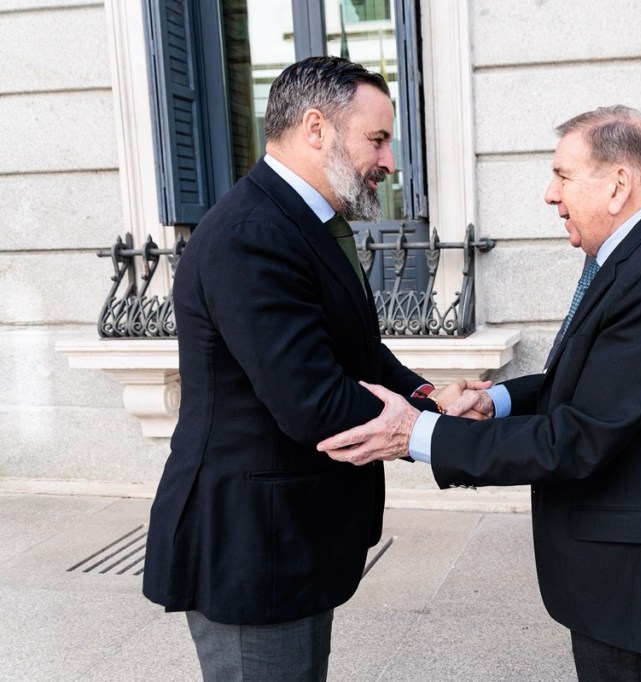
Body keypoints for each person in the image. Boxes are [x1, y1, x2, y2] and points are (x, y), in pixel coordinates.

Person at [318, 105, 641, 681]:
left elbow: (580, 437)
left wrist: (416, 433)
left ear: (618, 185)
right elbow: (602, 382)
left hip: (634, 572)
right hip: (636, 561)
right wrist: (499, 401)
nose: (549, 194)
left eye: (563, 176)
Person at [142, 56, 480, 681]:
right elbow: (314, 401)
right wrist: (435, 432)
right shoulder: (250, 234)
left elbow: (359, 354)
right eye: (377, 139)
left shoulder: (302, 223)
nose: (389, 161)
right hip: (253, 550)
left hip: (292, 540)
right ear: (317, 129)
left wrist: (431, 395)